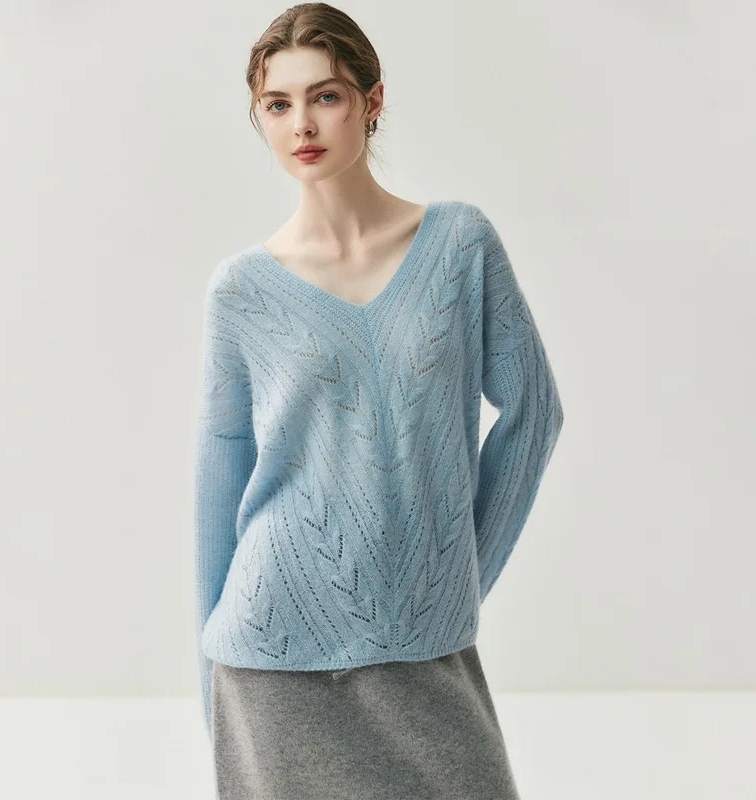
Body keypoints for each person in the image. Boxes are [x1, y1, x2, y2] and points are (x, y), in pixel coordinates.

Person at [193, 4, 564, 798]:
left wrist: (456, 578)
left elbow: (534, 412)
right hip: (270, 652)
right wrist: (206, 684)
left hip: (423, 646)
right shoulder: (241, 291)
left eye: (325, 96)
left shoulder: (460, 245)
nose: (302, 124)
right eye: (277, 104)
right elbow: (219, 482)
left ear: (372, 100)